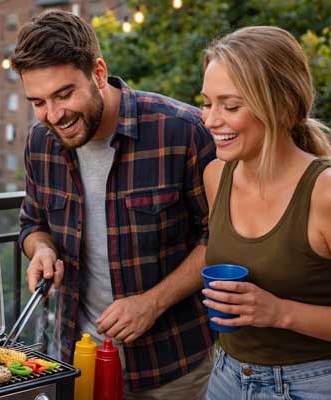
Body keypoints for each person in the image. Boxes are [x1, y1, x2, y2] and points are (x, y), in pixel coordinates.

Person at [12, 10, 217, 399]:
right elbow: (32, 224)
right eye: (38, 101)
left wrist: (152, 303)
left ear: (99, 73)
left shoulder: (183, 132)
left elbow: (220, 239)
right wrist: (40, 250)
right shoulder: (39, 142)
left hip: (172, 366)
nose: (54, 115)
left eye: (64, 94)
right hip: (76, 360)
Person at [200, 26, 331, 399]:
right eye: (206, 102)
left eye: (230, 106)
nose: (210, 120)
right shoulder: (217, 176)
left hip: (314, 386)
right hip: (226, 377)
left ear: (279, 106)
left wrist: (279, 312)